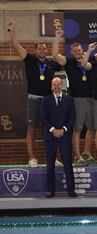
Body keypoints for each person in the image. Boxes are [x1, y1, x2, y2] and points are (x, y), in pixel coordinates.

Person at [7, 17, 62, 168]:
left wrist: (57, 38)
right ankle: (32, 158)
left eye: (45, 48)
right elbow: (16, 45)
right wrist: (13, 30)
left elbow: (63, 62)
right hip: (33, 100)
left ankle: (53, 158)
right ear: (35, 50)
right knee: (32, 129)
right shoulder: (30, 60)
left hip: (49, 100)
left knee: (51, 130)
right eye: (40, 48)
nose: (43, 50)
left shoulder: (51, 63)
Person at [52, 29, 97, 166]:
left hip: (91, 98)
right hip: (77, 99)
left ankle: (86, 153)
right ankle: (77, 157)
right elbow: (54, 55)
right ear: (72, 52)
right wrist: (57, 37)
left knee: (92, 128)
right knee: (77, 129)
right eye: (75, 51)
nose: (77, 52)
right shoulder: (69, 62)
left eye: (79, 50)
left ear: (82, 50)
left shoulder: (89, 60)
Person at [41, 78, 77, 198]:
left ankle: (71, 190)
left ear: (62, 85)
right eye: (54, 85)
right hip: (50, 137)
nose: (56, 86)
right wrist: (53, 130)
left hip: (64, 136)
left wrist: (63, 130)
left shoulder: (69, 100)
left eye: (58, 84)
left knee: (67, 163)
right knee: (50, 164)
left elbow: (72, 118)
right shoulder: (46, 100)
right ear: (51, 86)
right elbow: (44, 118)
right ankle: (51, 191)